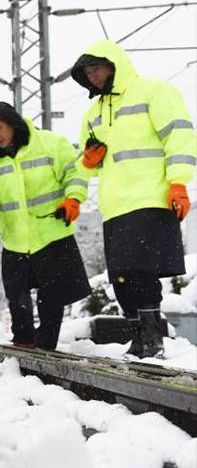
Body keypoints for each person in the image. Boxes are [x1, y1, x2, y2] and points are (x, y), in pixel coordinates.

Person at [70, 40, 195, 358]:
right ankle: (140, 335)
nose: (93, 76)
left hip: (151, 196)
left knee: (141, 270)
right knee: (122, 276)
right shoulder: (92, 114)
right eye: (88, 72)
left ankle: (152, 336)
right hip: (115, 207)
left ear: (115, 65)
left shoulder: (153, 92)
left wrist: (179, 183)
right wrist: (86, 163)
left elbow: (179, 134)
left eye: (97, 68)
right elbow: (88, 162)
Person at [0, 101, 91, 351]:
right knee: (17, 296)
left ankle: (46, 347)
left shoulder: (51, 143)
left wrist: (73, 198)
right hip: (16, 239)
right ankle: (23, 343)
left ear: (12, 122)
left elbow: (74, 173)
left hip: (51, 233)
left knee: (52, 297)